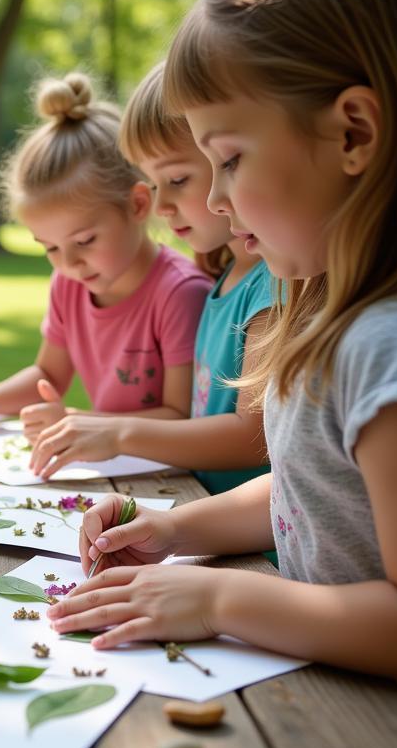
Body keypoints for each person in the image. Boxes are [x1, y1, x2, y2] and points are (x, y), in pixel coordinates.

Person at [47, 0, 397, 701]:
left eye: (228, 159)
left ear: (353, 134)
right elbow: (313, 491)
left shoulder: (390, 344)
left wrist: (222, 597)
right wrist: (176, 529)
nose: (217, 204)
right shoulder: (331, 315)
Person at [29, 63, 273, 493]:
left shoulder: (267, 284)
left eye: (178, 180)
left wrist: (115, 432)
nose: (162, 206)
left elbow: (254, 440)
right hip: (193, 503)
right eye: (157, 185)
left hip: (251, 543)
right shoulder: (223, 274)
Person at [0, 72, 212, 438]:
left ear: (138, 204)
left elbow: (181, 417)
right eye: (49, 247)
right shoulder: (68, 285)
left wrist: (80, 422)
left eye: (84, 240)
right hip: (113, 468)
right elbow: (49, 375)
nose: (68, 263)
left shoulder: (180, 294)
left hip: (168, 483)